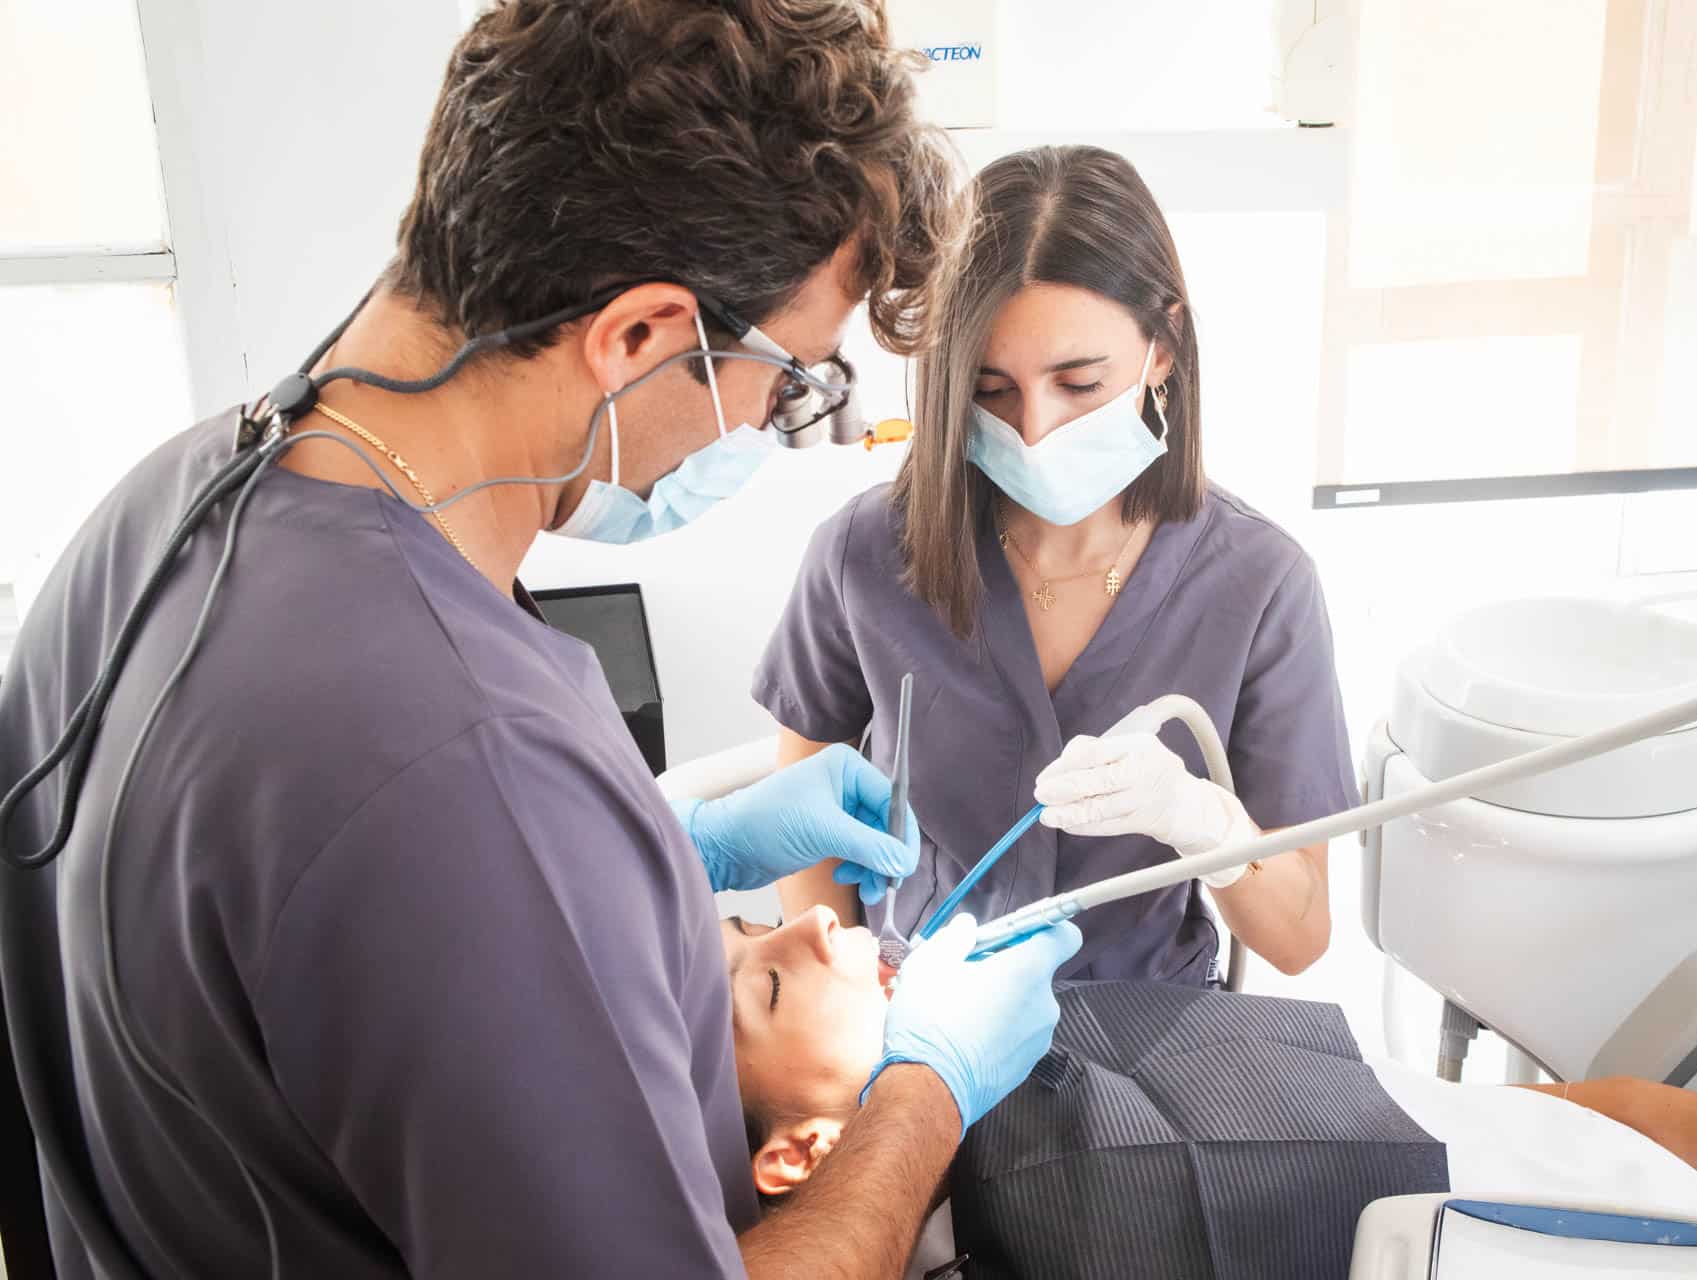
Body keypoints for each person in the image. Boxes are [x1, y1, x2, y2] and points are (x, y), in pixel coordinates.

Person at [0, 3, 1082, 1277]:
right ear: (640, 336)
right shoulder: (467, 764)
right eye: (790, 379)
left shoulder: (170, 502)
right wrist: (926, 1093)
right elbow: (433, 821)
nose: (769, 421)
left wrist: (655, 866)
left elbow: (306, 948)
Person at [759, 144, 1355, 984]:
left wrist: (1206, 825)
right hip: (917, 1017)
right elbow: (805, 830)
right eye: (992, 390)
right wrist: (851, 985)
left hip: (1145, 1034)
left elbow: (1299, 940)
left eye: (1078, 383)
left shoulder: (1259, 582)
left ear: (1165, 349)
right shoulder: (862, 555)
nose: (1034, 429)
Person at [720, 910, 1697, 1271]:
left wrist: (1622, 1101)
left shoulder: (1047, 1048)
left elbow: (1391, 1105)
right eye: (769, 980)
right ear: (803, 1152)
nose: (814, 920)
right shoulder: (1054, 1218)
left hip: (1645, 1156)